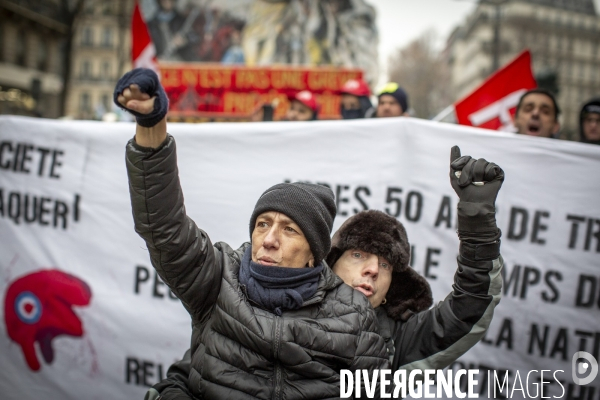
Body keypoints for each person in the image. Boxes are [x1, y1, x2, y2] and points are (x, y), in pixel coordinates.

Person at [113, 68, 389, 400]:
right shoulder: (217, 278)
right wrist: (151, 126)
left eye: (289, 230)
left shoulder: (354, 316)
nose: (269, 239)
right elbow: (163, 226)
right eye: (262, 224)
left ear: (314, 253)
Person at [146, 149, 505, 399]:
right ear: (326, 262)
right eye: (359, 254)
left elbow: (469, 307)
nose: (371, 270)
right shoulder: (243, 297)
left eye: (386, 266)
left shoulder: (394, 338)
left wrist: (477, 222)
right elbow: (190, 374)